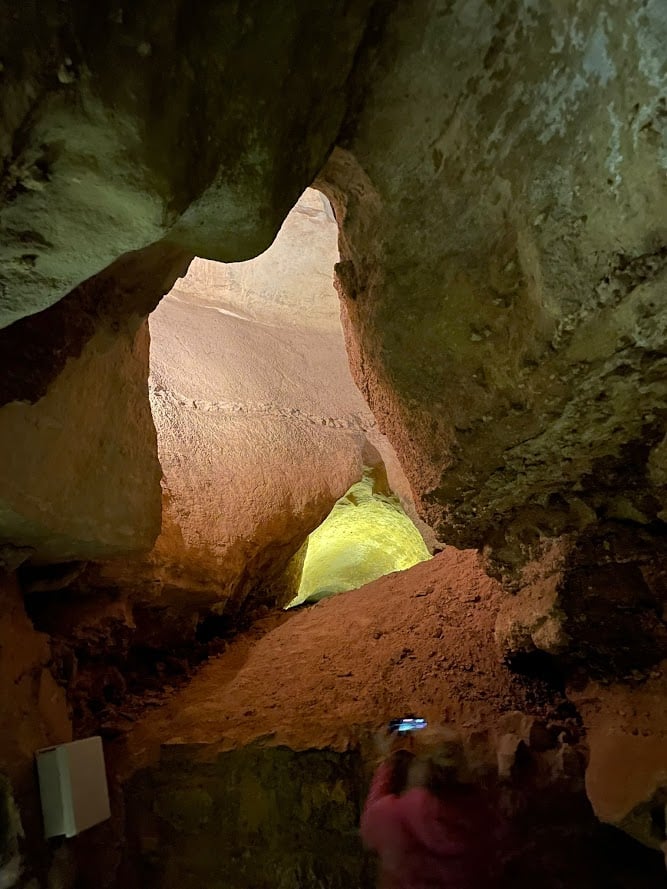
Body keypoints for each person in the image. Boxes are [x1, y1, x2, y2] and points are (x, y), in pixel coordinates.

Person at [360, 727, 500, 889]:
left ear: (423, 771)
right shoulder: (482, 817)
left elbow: (369, 825)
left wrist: (385, 762)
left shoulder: (394, 815)